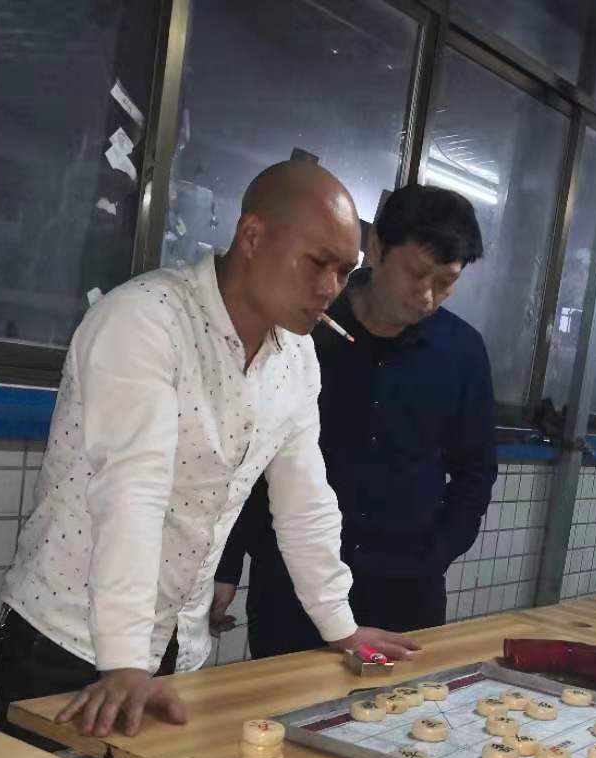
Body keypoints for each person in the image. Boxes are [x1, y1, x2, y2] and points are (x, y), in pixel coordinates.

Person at [0, 161, 418, 742]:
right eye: (317, 262)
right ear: (252, 235)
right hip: (71, 642)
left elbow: (305, 502)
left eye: (345, 272)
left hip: (176, 649)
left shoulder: (296, 358)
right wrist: (124, 662)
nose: (329, 289)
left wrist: (339, 626)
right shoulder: (146, 319)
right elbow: (133, 492)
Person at [211, 184, 495, 656]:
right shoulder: (305, 330)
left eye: (446, 282)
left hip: (405, 591)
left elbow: (476, 471)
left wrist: (435, 553)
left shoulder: (462, 352)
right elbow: (251, 451)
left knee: (404, 704)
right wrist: (227, 563)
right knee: (282, 698)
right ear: (377, 248)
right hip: (292, 586)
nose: (427, 296)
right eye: (416, 273)